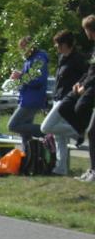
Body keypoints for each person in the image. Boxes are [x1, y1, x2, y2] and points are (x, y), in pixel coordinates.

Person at [40, 27, 92, 175]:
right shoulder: (62, 58)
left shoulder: (78, 59)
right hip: (58, 98)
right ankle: (61, 168)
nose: (56, 47)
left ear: (64, 44)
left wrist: (79, 90)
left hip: (68, 99)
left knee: (46, 127)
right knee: (59, 137)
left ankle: (77, 133)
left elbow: (87, 77)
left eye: (57, 44)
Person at [7, 36, 49, 152]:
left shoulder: (38, 59)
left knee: (13, 125)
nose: (22, 51)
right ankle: (29, 157)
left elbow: (37, 80)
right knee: (25, 134)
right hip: (27, 98)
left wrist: (20, 76)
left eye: (23, 47)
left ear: (31, 46)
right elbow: (29, 78)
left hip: (32, 100)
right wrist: (20, 76)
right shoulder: (30, 60)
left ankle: (47, 132)